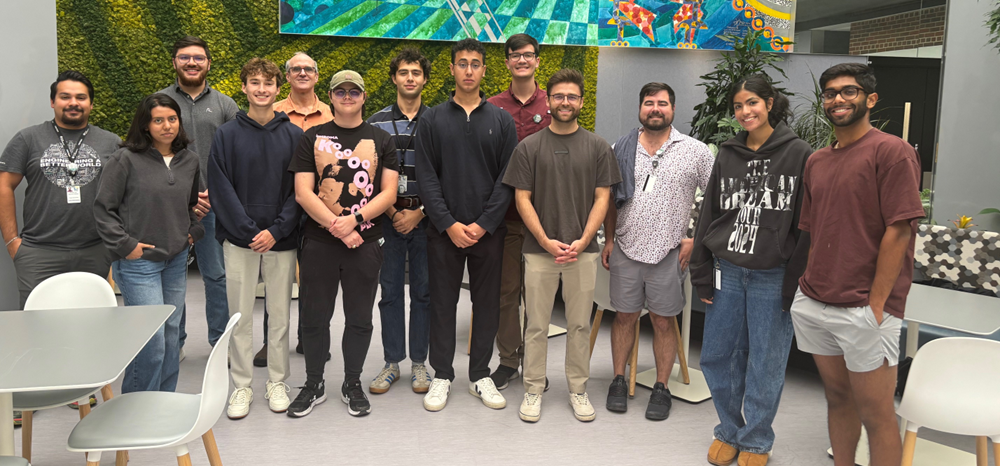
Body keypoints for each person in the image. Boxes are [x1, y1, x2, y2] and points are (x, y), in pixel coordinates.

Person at [789, 63, 923, 466]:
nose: (838, 100)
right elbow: (814, 230)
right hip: (816, 300)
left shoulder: (892, 151)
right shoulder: (817, 161)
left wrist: (877, 305)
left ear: (871, 99)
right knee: (837, 398)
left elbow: (899, 231)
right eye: (830, 93)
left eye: (849, 91)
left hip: (865, 307)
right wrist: (805, 287)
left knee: (877, 415)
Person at [689, 75, 812, 466]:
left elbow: (806, 223)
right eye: (738, 106)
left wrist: (795, 280)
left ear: (770, 103)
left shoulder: (800, 153)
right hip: (726, 271)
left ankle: (757, 439)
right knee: (717, 356)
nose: (745, 112)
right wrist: (701, 270)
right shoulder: (728, 153)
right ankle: (728, 430)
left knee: (766, 361)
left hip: (771, 276)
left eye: (752, 103)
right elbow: (709, 212)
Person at [502, 68, 621, 423]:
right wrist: (544, 239)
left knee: (579, 325)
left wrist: (585, 240)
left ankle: (578, 390)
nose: (565, 102)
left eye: (572, 96)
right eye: (558, 96)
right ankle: (533, 388)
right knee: (536, 325)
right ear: (548, 101)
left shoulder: (598, 147)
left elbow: (603, 198)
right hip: (539, 252)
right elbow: (522, 199)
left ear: (581, 102)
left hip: (582, 253)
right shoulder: (528, 147)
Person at [0, 70, 121, 411]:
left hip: (94, 249)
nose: (73, 103)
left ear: (91, 104)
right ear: (53, 102)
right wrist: (12, 241)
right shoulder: (28, 138)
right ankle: (29, 396)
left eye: (81, 97)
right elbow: (4, 185)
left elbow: (127, 191)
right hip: (38, 249)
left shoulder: (110, 142)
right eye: (65, 96)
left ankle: (79, 387)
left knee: (88, 323)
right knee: (34, 326)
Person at [286, 70, 399, 418]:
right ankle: (314, 383)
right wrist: (339, 227)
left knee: (359, 317)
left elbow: (389, 193)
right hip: (319, 241)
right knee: (314, 317)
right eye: (340, 92)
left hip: (365, 243)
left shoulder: (382, 139)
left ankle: (352, 383)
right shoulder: (312, 137)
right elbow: (303, 192)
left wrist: (355, 220)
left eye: (354, 92)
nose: (347, 97)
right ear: (331, 96)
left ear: (364, 97)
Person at [414, 38, 518, 412]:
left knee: (486, 304)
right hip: (443, 233)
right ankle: (442, 374)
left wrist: (484, 223)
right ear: (452, 69)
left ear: (484, 70)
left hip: (489, 233)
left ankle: (479, 375)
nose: (469, 70)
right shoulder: (432, 119)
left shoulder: (502, 120)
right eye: (462, 63)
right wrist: (448, 224)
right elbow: (426, 176)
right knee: (442, 303)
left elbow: (508, 177)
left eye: (475, 63)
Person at [603, 82, 713, 421]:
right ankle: (618, 379)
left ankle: (662, 386)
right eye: (649, 102)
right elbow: (609, 199)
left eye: (662, 103)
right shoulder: (619, 148)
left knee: (664, 321)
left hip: (669, 251)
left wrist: (694, 236)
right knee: (624, 317)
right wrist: (609, 240)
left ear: (673, 109)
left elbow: (715, 198)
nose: (655, 108)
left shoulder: (695, 151)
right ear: (640, 108)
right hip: (626, 247)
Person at [208, 58, 302, 419]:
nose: (262, 89)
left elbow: (300, 190)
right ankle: (242, 385)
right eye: (255, 83)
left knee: (280, 316)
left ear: (279, 88)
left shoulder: (294, 135)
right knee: (240, 316)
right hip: (240, 240)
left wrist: (276, 230)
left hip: (281, 239)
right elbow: (221, 188)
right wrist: (248, 231)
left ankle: (277, 381)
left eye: (268, 83)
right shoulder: (226, 135)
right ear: (244, 87)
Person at [94, 93, 204, 393]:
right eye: (158, 120)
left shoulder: (190, 160)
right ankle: (136, 403)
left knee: (171, 334)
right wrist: (125, 245)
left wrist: (194, 231)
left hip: (176, 259)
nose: (167, 126)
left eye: (172, 119)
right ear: (145, 125)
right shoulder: (124, 159)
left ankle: (163, 401)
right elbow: (103, 209)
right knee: (151, 339)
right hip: (138, 263)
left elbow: (190, 204)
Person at [160, 35, 239, 357]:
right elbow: (145, 155)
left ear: (208, 63)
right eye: (184, 57)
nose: (191, 63)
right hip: (168, 207)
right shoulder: (158, 102)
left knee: (216, 276)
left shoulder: (225, 105)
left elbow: (237, 156)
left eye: (198, 58)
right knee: (171, 277)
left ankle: (219, 343)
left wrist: (214, 195)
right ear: (174, 62)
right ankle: (173, 343)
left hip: (213, 206)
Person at [255, 51, 334, 367]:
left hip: (319, 206)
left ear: (316, 76)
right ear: (286, 77)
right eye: (295, 69)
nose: (302, 73)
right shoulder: (271, 111)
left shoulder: (330, 113)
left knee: (315, 279)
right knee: (275, 277)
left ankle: (309, 338)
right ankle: (270, 342)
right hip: (280, 205)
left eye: (308, 69)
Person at [486, 33, 552, 389]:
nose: (522, 60)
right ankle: (509, 360)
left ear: (537, 60)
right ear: (507, 62)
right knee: (506, 294)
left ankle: (536, 364)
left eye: (528, 55)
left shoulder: (555, 102)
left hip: (545, 222)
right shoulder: (493, 107)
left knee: (539, 299)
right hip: (507, 220)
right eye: (515, 55)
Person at [367, 48, 433, 394]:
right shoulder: (375, 123)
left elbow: (445, 175)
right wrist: (393, 213)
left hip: (426, 219)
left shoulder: (437, 122)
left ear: (425, 79)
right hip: (387, 220)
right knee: (390, 291)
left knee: (424, 292)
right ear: (394, 78)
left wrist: (420, 212)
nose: (410, 78)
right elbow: (368, 175)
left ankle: (420, 363)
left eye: (416, 72)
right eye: (404, 72)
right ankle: (392, 362)